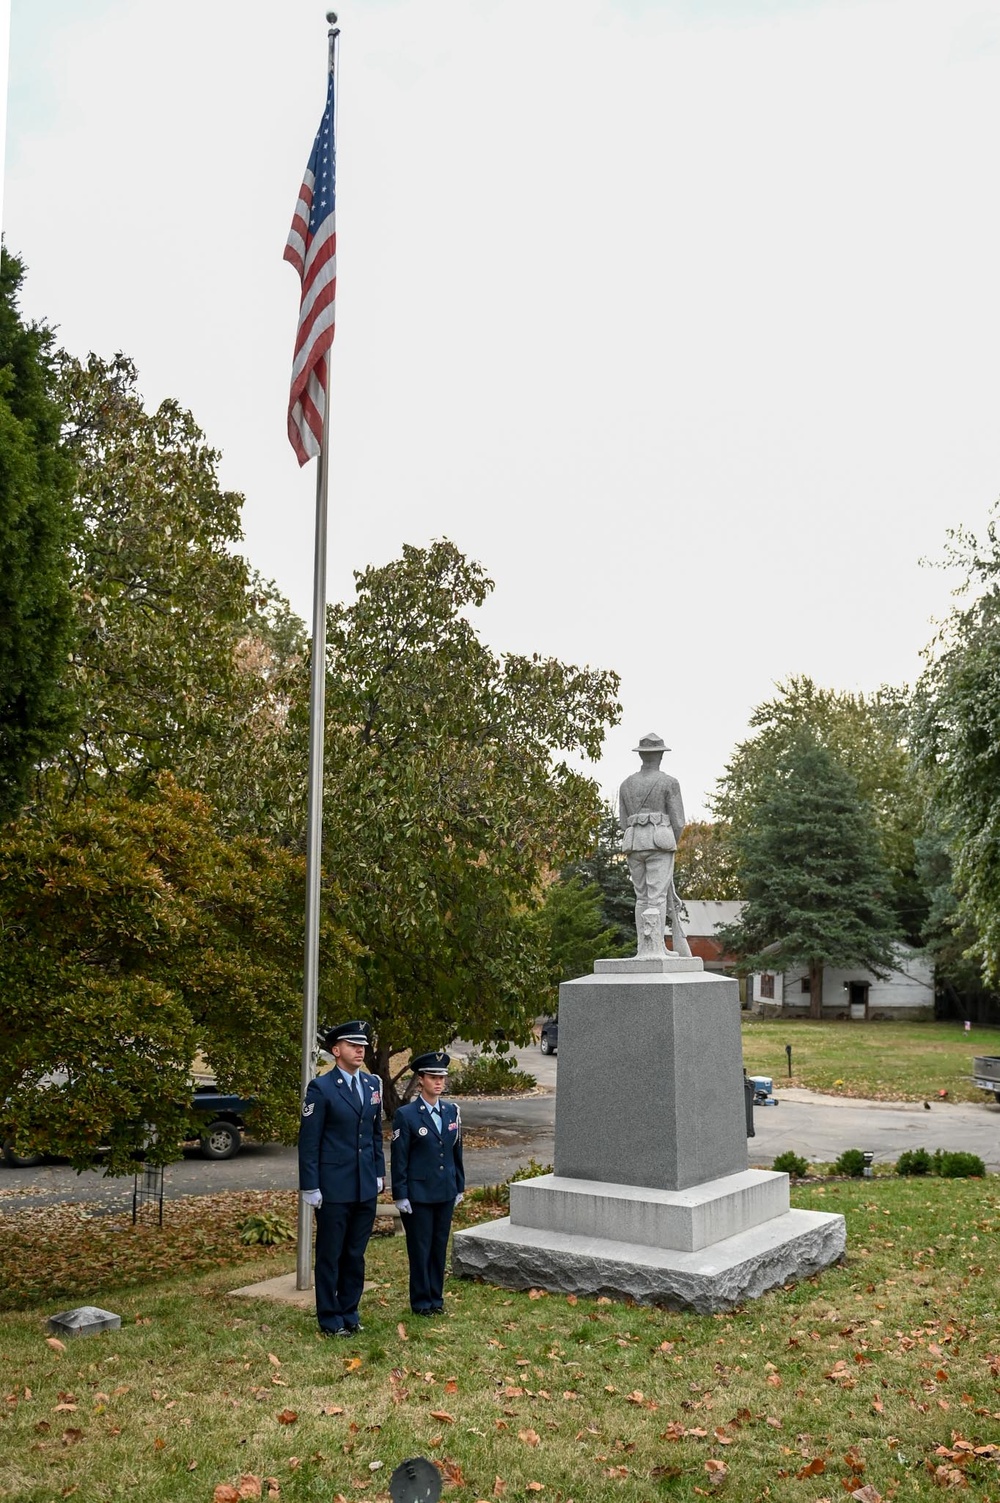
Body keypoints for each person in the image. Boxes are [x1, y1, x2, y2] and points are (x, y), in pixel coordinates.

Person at [298, 1020, 385, 1337]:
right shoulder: (321, 1089)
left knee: (354, 1254)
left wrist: (379, 1172)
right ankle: (329, 1318)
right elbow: (309, 1141)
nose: (360, 1049)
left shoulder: (372, 1086)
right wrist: (310, 1184)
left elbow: (375, 1134)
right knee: (331, 1255)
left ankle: (350, 1311)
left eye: (362, 1045)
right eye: (352, 1045)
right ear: (336, 1051)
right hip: (333, 1187)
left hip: (364, 1186)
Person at [391, 1052, 465, 1316]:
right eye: (433, 1077)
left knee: (438, 1246)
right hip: (419, 1194)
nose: (439, 1082)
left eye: (442, 1077)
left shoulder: (450, 1111)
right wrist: (400, 1193)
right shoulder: (407, 1115)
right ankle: (421, 1301)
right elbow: (400, 1158)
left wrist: (459, 1185)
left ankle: (436, 1298)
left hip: (444, 1190)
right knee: (420, 1249)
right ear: (420, 1079)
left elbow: (457, 1153)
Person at [618, 732, 692, 957]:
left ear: (641, 756)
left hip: (633, 844)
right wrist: (670, 843)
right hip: (660, 843)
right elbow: (678, 821)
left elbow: (623, 822)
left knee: (642, 898)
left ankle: (643, 948)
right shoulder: (669, 782)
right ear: (660, 755)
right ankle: (656, 948)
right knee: (657, 897)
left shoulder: (626, 784)